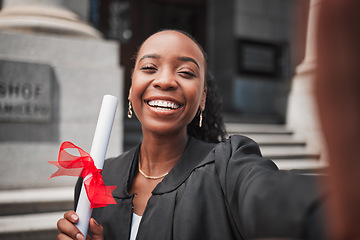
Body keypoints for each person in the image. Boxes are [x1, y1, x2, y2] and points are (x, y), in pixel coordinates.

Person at [56, 30, 327, 240]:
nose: (164, 81)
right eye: (149, 68)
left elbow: (271, 195)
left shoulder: (228, 166)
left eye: (185, 72)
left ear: (203, 99)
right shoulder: (97, 178)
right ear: (131, 89)